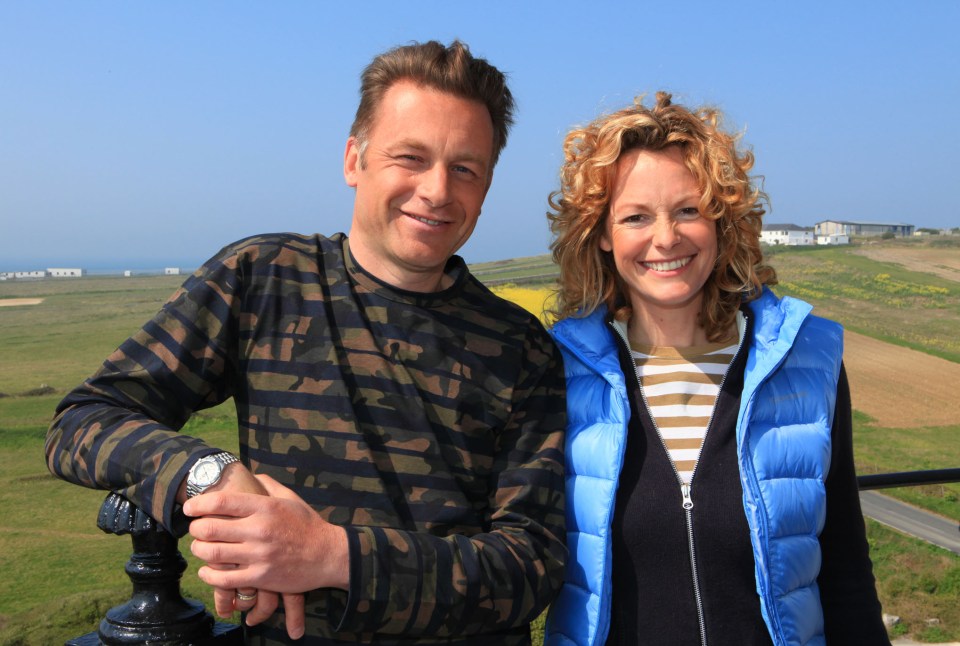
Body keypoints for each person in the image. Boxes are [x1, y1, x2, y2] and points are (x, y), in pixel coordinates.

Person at [45, 40, 567, 646]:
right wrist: (207, 474)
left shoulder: (520, 345)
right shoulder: (264, 277)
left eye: (465, 168)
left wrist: (330, 555)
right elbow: (83, 421)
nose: (436, 190)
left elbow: (532, 564)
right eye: (411, 157)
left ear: (487, 185)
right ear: (354, 159)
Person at [541, 92, 889, 645]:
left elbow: (844, 563)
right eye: (635, 216)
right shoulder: (556, 371)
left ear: (721, 219)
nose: (665, 238)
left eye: (688, 210)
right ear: (603, 234)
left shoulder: (805, 359)